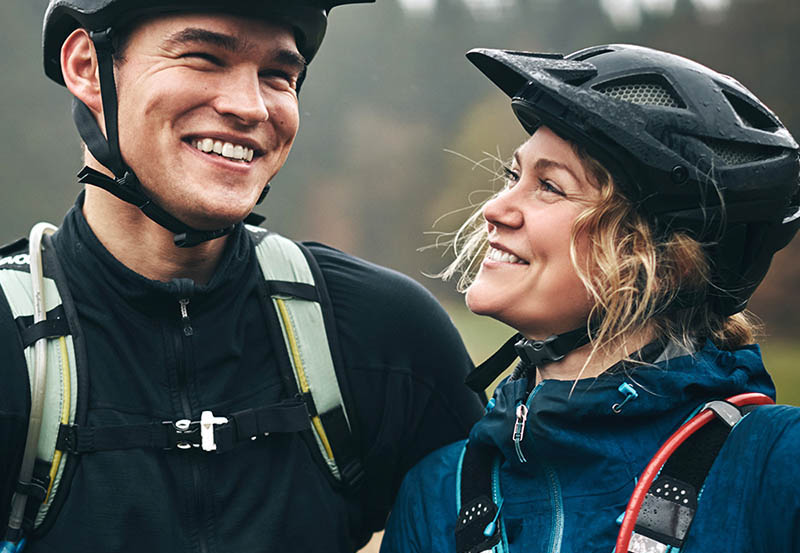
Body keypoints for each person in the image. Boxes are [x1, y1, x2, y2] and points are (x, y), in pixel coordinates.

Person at [0, 2, 484, 552]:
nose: (251, 107)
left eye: (278, 75)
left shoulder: (385, 334)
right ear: (88, 67)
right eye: (203, 57)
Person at [380, 44, 800, 553]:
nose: (495, 208)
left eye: (550, 187)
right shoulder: (438, 493)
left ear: (660, 254)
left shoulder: (777, 465)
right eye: (513, 177)